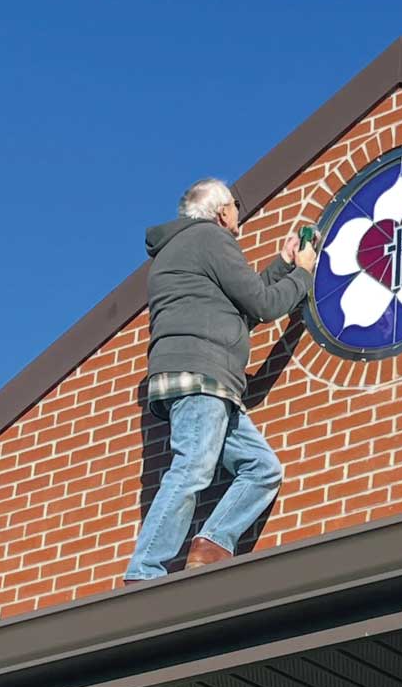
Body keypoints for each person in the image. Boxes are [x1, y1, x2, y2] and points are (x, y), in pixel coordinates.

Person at [124, 177, 316, 582]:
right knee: (193, 466)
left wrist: (282, 265)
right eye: (234, 205)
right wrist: (302, 275)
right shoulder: (211, 240)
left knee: (262, 469)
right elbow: (264, 307)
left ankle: (211, 544)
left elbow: (236, 305)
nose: (237, 213)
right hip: (203, 376)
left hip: (208, 382)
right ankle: (144, 570)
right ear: (221, 211)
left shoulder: (182, 249)